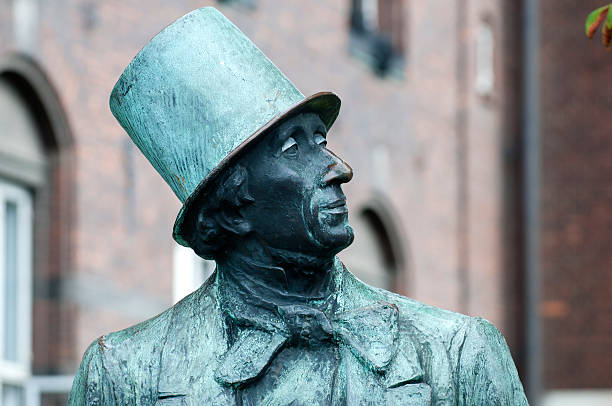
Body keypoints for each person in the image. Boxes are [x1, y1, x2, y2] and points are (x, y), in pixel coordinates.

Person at [68, 8, 528, 405]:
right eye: (293, 148)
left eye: (322, 140)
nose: (338, 168)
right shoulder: (124, 378)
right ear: (230, 209)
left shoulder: (460, 357)